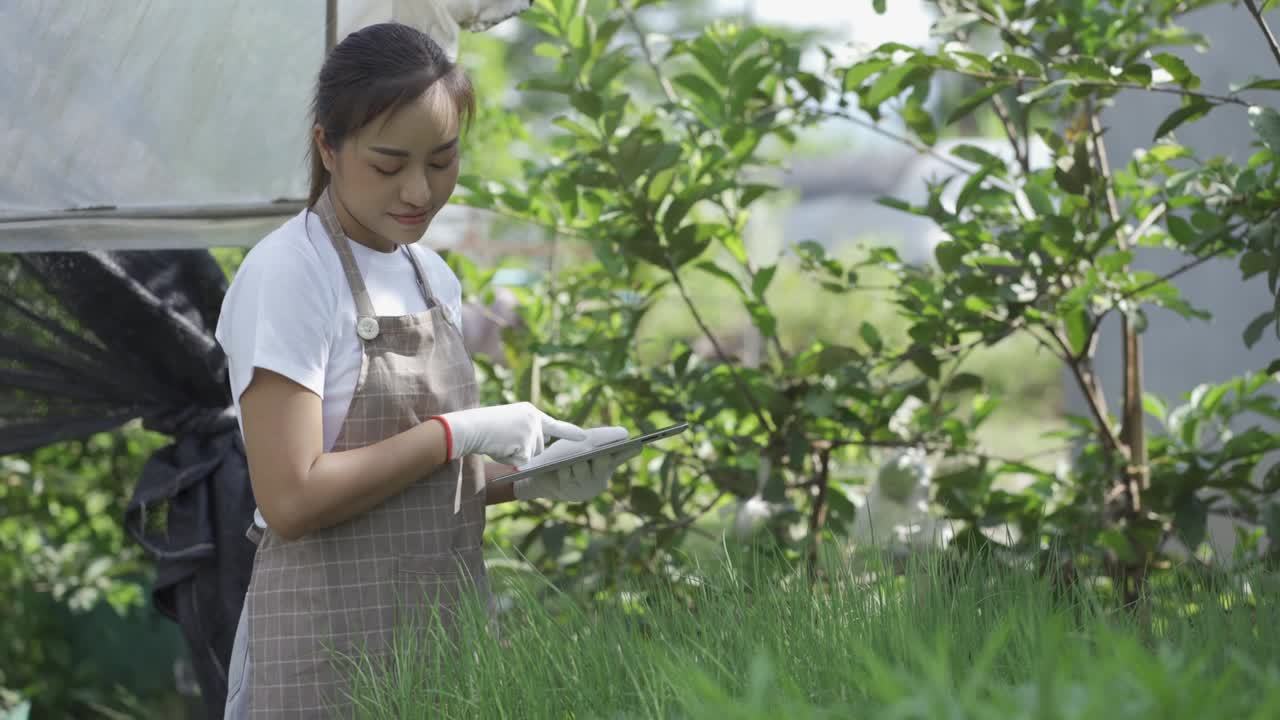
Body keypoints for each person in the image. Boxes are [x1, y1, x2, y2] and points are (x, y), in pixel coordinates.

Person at [215, 22, 639, 718]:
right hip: (328, 645)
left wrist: (532, 478)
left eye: (442, 161)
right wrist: (457, 432)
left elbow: (418, 489)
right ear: (328, 145)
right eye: (389, 165)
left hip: (443, 635)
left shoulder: (431, 275)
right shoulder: (290, 273)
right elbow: (292, 499)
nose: (419, 190)